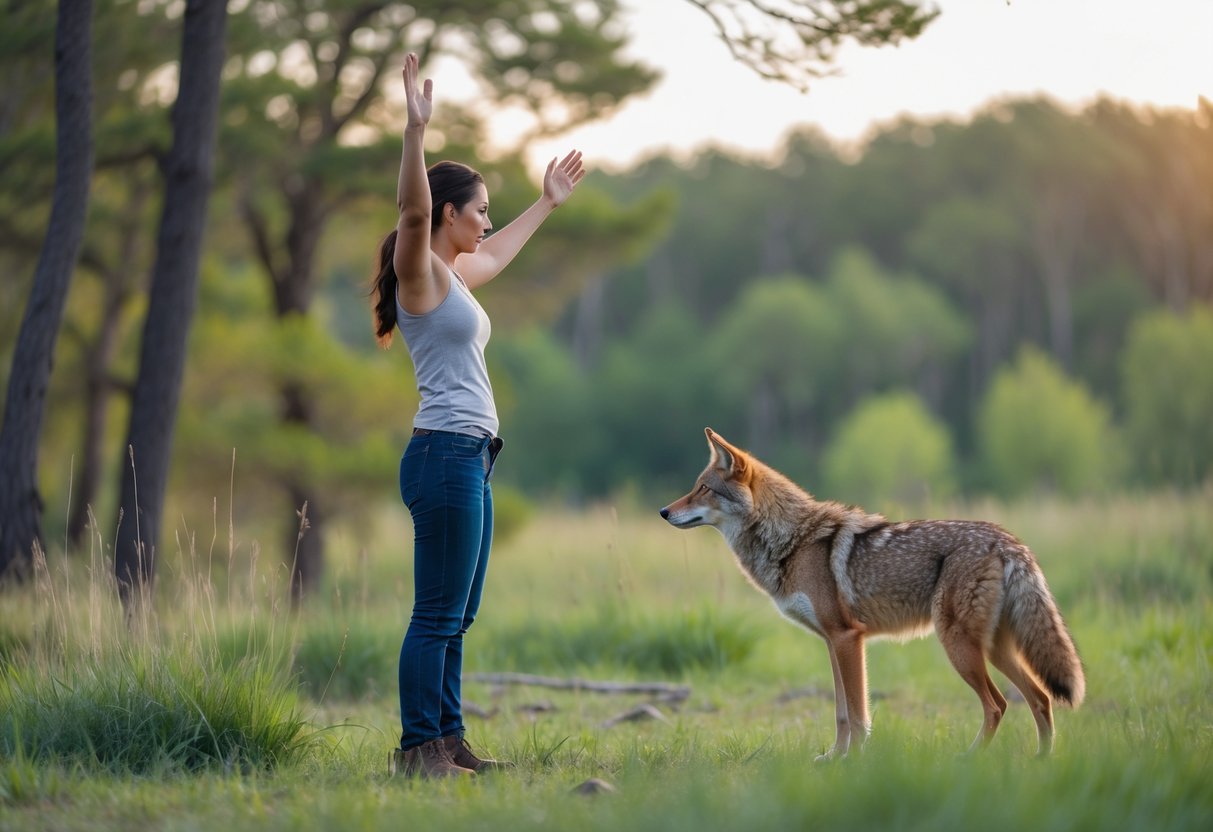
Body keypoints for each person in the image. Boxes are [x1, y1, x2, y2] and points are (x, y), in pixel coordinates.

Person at [371, 52, 585, 779]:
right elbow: (410, 211)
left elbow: (497, 256)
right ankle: (415, 749)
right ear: (448, 214)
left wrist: (547, 203)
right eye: (481, 208)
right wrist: (413, 134)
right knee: (434, 615)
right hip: (442, 457)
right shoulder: (420, 272)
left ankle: (448, 740)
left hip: (471, 457)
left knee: (457, 615)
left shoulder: (457, 276)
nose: (486, 221)